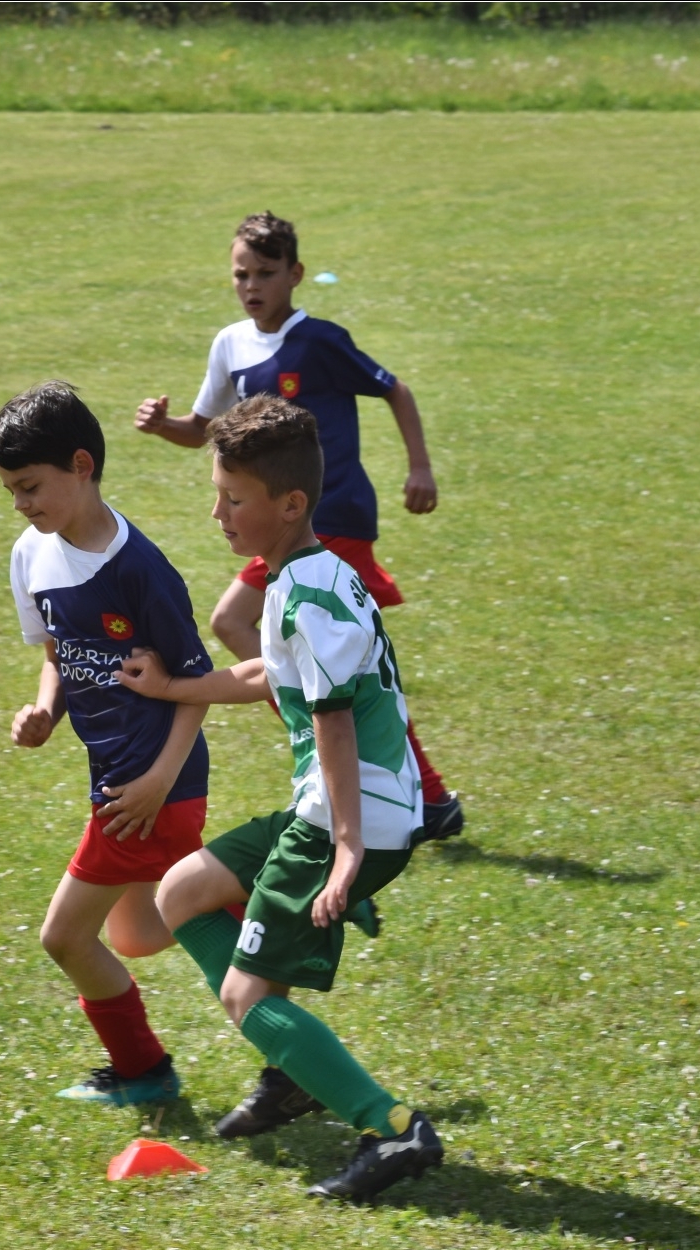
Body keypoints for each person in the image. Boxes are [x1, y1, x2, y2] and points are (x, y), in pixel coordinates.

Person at [118, 394, 443, 1200]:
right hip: (334, 811)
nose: (218, 513)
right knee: (180, 894)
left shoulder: (306, 595)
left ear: (290, 504)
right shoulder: (307, 574)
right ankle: (293, 1073)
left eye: (234, 499)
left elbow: (334, 720)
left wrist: (348, 853)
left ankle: (393, 1128)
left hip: (347, 816)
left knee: (244, 994)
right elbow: (271, 672)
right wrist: (172, 686)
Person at [135, 211, 463, 843]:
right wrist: (161, 426)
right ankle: (397, 778)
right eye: (241, 274)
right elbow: (204, 431)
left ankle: (399, 780)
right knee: (311, 653)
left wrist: (420, 467)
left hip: (331, 516)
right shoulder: (230, 345)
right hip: (286, 526)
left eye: (265, 273)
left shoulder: (320, 341)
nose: (251, 286)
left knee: (254, 629)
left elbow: (395, 390)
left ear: (295, 274)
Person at [0, 381, 214, 1106]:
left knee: (65, 938)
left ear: (82, 465)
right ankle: (276, 904)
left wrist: (158, 782)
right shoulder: (32, 553)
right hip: (119, 778)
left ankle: (144, 1071)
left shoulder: (138, 569)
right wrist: (44, 711)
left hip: (149, 786)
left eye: (30, 487)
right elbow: (58, 652)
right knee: (139, 933)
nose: (20, 504)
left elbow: (197, 685)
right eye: (11, 491)